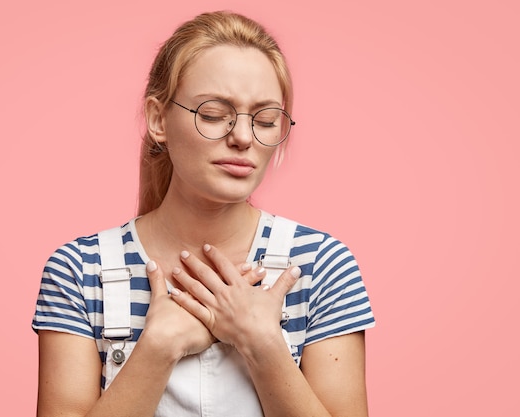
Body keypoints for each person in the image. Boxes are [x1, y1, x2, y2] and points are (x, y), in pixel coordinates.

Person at [32, 10, 375, 417]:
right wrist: (157, 348)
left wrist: (262, 343)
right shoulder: (79, 270)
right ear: (159, 119)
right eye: (213, 114)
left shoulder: (321, 265)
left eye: (265, 120)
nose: (244, 137)